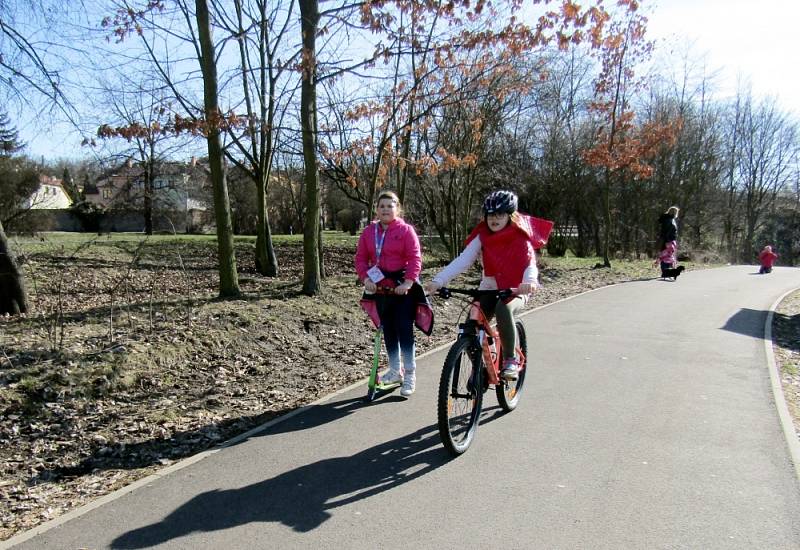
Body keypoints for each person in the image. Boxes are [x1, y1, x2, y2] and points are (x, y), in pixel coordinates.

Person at [425, 190, 550, 381]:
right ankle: (481, 369)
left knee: (503, 309)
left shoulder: (520, 236)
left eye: (499, 214)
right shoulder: (482, 235)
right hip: (490, 287)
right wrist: (439, 281)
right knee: (470, 326)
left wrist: (529, 282)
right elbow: (463, 260)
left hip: (516, 288)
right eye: (490, 215)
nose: (494, 219)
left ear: (510, 215)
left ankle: (510, 360)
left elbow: (529, 264)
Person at [355, 190, 430, 397]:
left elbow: (415, 258)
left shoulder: (406, 231)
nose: (386, 209)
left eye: (391, 205)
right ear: (376, 210)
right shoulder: (369, 232)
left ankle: (410, 374)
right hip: (380, 288)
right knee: (388, 329)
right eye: (382, 206)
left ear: (398, 209)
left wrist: (408, 282)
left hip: (402, 288)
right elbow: (361, 258)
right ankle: (395, 370)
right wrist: (366, 279)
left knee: (404, 330)